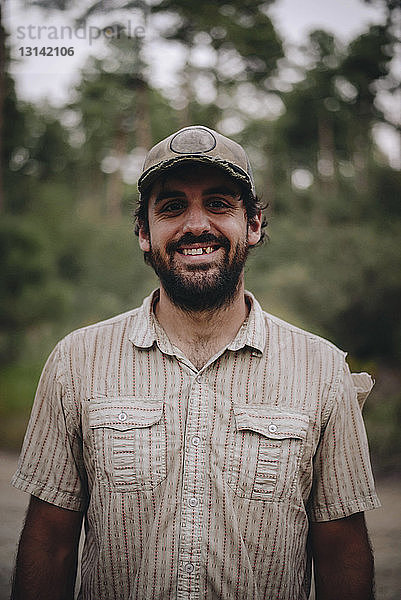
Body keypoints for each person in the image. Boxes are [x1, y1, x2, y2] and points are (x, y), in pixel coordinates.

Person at [11, 125, 380, 600]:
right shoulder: (76, 361)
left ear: (253, 225)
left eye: (219, 203)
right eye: (172, 207)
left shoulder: (322, 369)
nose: (197, 225)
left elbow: (341, 551)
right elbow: (50, 544)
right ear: (145, 233)